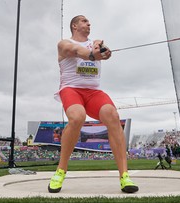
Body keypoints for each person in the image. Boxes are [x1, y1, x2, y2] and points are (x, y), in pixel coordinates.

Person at [48, 15, 139, 193]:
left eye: (89, 22)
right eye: (84, 21)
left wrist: (104, 52)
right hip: (72, 89)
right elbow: (75, 50)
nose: (89, 23)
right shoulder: (63, 44)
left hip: (93, 92)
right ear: (74, 25)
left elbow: (104, 52)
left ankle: (124, 177)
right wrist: (92, 54)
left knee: (113, 116)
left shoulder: (96, 42)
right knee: (77, 117)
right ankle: (60, 171)